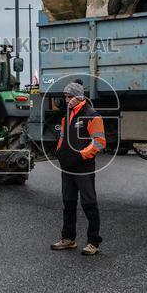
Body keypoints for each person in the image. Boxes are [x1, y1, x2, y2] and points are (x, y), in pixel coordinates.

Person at [50, 81, 106, 256]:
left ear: (79, 97)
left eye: (69, 97)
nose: (66, 100)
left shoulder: (92, 115)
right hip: (67, 168)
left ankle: (93, 242)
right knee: (68, 203)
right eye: (65, 97)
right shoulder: (67, 116)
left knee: (89, 203)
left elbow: (99, 142)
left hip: (84, 168)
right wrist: (59, 151)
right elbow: (62, 138)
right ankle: (68, 239)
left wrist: (80, 155)